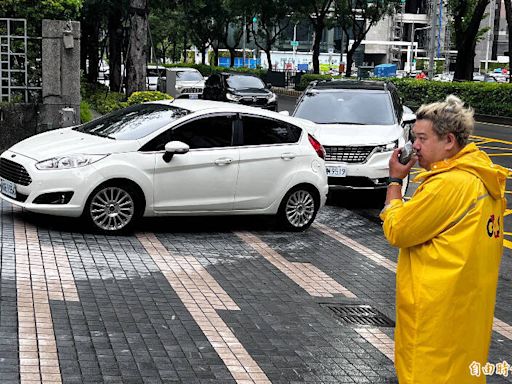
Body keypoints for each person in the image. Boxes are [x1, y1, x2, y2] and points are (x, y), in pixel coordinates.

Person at [380, 95, 507, 383]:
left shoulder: (447, 184)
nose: (415, 146)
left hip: (434, 322)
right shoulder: (484, 178)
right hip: (467, 318)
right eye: (414, 138)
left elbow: (398, 231)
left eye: (422, 138)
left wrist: (395, 182)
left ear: (449, 140)